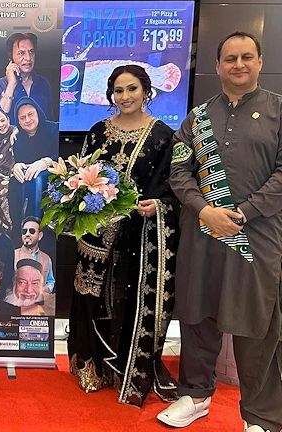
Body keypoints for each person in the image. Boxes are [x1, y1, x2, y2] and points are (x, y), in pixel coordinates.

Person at [157, 32, 282, 432]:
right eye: (230, 58)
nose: (239, 64)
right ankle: (194, 395)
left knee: (255, 322)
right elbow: (179, 171)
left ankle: (260, 416)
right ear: (217, 66)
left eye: (247, 57)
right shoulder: (196, 118)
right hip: (203, 232)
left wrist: (242, 214)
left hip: (256, 238)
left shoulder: (279, 112)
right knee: (197, 312)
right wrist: (204, 210)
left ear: (260, 62)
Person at [67, 64, 179, 407]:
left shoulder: (162, 136)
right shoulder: (99, 131)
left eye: (132, 89)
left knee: (127, 296)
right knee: (92, 295)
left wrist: (157, 207)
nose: (125, 96)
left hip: (140, 235)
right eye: (118, 90)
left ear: (146, 91)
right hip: (97, 234)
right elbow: (81, 175)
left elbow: (174, 188)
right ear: (110, 95)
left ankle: (127, 366)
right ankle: (93, 364)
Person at [9, 96, 59, 239]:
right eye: (22, 117)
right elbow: (22, 162)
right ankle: (19, 230)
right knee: (14, 181)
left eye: (30, 114)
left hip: (53, 175)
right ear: (18, 121)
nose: (27, 120)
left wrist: (45, 162)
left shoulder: (54, 128)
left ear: (38, 113)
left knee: (37, 179)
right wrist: (16, 166)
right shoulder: (18, 139)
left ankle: (36, 230)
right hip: (30, 176)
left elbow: (65, 156)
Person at [0, 32, 54, 122]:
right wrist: (11, 84)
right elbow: (0, 120)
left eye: (31, 52)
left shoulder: (43, 83)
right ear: (10, 58)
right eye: (21, 53)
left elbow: (50, 120)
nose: (28, 58)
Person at [14, 216, 56, 293]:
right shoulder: (13, 255)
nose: (27, 234)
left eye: (32, 231)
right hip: (16, 302)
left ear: (40, 236)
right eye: (24, 231)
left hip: (39, 302)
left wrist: (44, 290)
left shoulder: (46, 259)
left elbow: (50, 281)